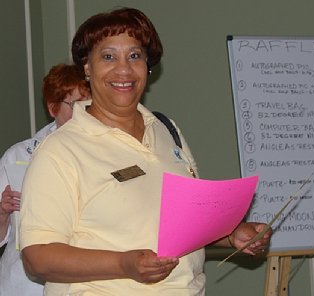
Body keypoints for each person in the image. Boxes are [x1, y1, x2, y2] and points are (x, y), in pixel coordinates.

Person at [19, 7, 271, 296]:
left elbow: (182, 229)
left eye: (135, 56)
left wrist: (231, 236)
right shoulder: (60, 150)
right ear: (87, 68)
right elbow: (37, 257)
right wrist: (124, 264)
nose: (124, 69)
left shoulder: (166, 129)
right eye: (108, 56)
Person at [0, 63, 90, 295]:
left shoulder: (106, 153)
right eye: (74, 104)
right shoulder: (18, 156)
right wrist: (3, 213)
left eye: (88, 104)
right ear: (52, 108)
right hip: (24, 285)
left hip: (86, 281)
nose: (84, 112)